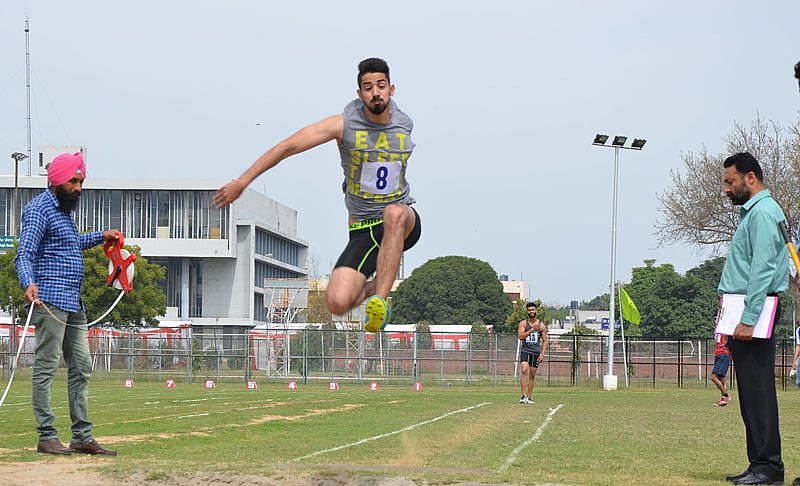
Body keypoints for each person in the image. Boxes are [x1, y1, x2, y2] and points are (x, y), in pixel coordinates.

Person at [213, 58, 421, 333]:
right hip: (363, 230)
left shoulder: (404, 124)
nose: (376, 93)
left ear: (391, 90)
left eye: (381, 86)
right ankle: (377, 284)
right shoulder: (342, 125)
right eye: (368, 88)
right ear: (359, 95)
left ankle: (380, 303)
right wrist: (242, 181)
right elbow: (288, 146)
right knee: (337, 303)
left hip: (403, 222)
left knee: (393, 212)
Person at [14, 152, 119, 456]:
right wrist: (28, 283)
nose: (78, 187)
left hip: (73, 300)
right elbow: (25, 253)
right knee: (46, 366)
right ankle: (47, 435)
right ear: (57, 180)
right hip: (49, 301)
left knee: (82, 366)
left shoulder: (64, 213)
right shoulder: (39, 209)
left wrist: (102, 236)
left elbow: (70, 245)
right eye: (73, 181)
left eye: (81, 181)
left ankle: (82, 437)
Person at [718, 152, 787, 485]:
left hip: (754, 311)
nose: (726, 189)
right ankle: (759, 462)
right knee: (750, 389)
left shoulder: (761, 214)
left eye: (730, 182)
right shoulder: (756, 214)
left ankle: (768, 466)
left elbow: (762, 269)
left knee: (757, 390)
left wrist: (748, 318)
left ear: (750, 178)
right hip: (745, 309)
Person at [517, 302, 547, 404]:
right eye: (529, 310)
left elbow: (544, 341)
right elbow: (520, 336)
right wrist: (531, 330)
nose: (531, 312)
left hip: (536, 352)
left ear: (536, 311)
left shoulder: (542, 326)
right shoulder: (523, 324)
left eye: (533, 310)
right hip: (525, 350)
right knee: (524, 369)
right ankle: (523, 396)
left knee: (532, 374)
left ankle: (529, 397)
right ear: (527, 312)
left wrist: (542, 354)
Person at [710, 333, 732, 406]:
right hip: (719, 354)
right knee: (721, 377)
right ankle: (724, 399)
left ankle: (725, 395)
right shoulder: (718, 330)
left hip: (723, 354)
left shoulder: (724, 328)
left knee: (713, 377)